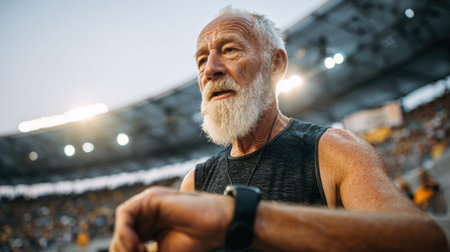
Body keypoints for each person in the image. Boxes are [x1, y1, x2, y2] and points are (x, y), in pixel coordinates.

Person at [110, 7, 448, 252]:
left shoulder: (332, 151)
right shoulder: (195, 182)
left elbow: (425, 240)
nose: (210, 69)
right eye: (201, 60)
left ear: (276, 64)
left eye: (229, 50)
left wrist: (235, 217)